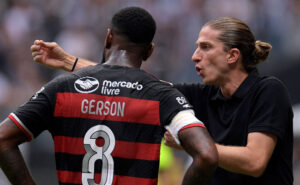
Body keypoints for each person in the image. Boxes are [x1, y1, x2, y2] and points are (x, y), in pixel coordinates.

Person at [32, 17, 294, 185]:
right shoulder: (205, 95)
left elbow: (254, 161)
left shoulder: (268, 91)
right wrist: (69, 62)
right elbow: (134, 85)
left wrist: (193, 145)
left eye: (205, 47)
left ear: (232, 55)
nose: (194, 56)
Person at [0, 7, 219, 185]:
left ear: (108, 38)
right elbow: (207, 154)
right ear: (149, 51)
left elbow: (2, 138)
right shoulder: (161, 96)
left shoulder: (61, 88)